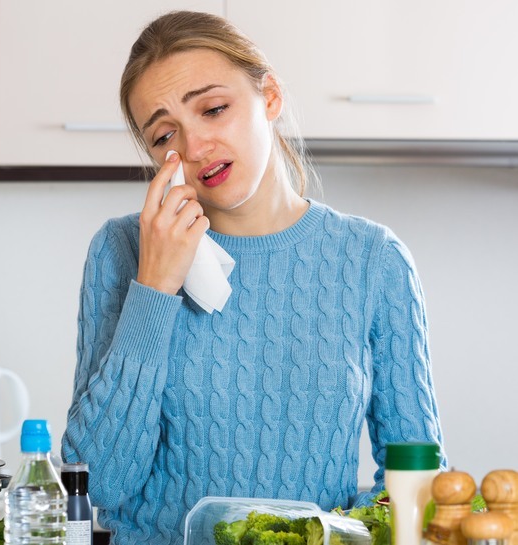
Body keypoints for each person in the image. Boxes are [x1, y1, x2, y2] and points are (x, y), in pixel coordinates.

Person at [62, 10, 446, 545]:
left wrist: (334, 531)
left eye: (213, 109)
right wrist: (154, 287)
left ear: (269, 97)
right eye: (165, 134)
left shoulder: (373, 261)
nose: (195, 148)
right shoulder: (123, 249)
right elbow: (97, 484)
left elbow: (417, 482)